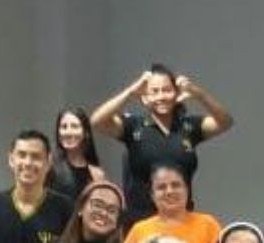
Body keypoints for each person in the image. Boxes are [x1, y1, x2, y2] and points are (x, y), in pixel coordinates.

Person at [93, 64, 234, 227]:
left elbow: (225, 122)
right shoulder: (134, 126)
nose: (161, 96)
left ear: (176, 94)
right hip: (140, 222)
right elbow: (97, 121)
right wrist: (130, 92)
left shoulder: (188, 126)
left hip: (181, 221)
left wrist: (198, 94)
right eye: (154, 91)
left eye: (167, 90)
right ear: (145, 98)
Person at [123, 164, 222, 243]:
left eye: (176, 185)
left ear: (187, 190)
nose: (169, 191)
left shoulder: (208, 225)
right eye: (161, 187)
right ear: (152, 195)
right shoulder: (139, 230)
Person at [48, 106, 107, 202]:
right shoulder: (48, 164)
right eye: (64, 127)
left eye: (74, 127)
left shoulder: (97, 174)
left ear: (86, 133)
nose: (68, 132)